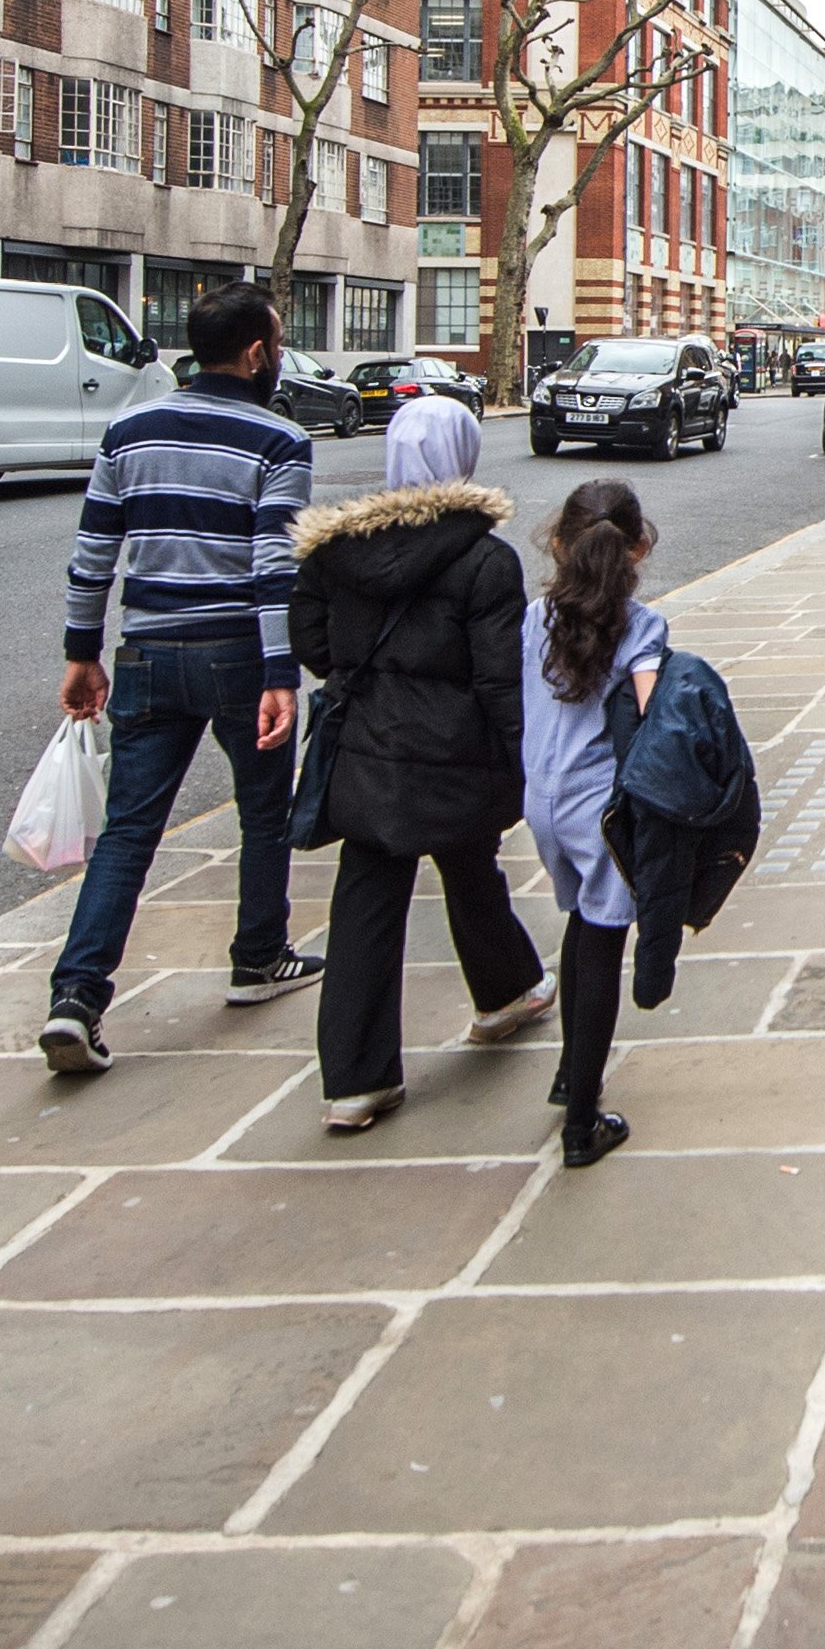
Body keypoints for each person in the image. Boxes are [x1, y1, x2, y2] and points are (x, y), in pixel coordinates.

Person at [38, 283, 325, 1075]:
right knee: (264, 814)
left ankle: (76, 997)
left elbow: (92, 554)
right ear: (258, 352)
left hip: (147, 653)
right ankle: (258, 957)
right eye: (276, 338)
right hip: (238, 653)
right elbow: (274, 567)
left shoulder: (128, 430)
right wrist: (280, 671)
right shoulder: (278, 440)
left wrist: (80, 651)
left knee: (128, 831)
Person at [289, 395, 547, 1131]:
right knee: (469, 865)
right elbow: (499, 675)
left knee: (366, 901)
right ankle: (505, 997)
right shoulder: (483, 557)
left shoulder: (334, 549)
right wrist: (521, 758)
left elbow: (312, 642)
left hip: (368, 744)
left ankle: (355, 1080)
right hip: (454, 748)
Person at [521, 479, 667, 1168]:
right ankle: (582, 1123)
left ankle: (565, 1072)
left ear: (559, 543)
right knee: (604, 943)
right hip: (601, 805)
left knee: (580, 923)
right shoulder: (640, 626)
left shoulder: (533, 618)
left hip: (541, 801)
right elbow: (648, 717)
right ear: (638, 547)